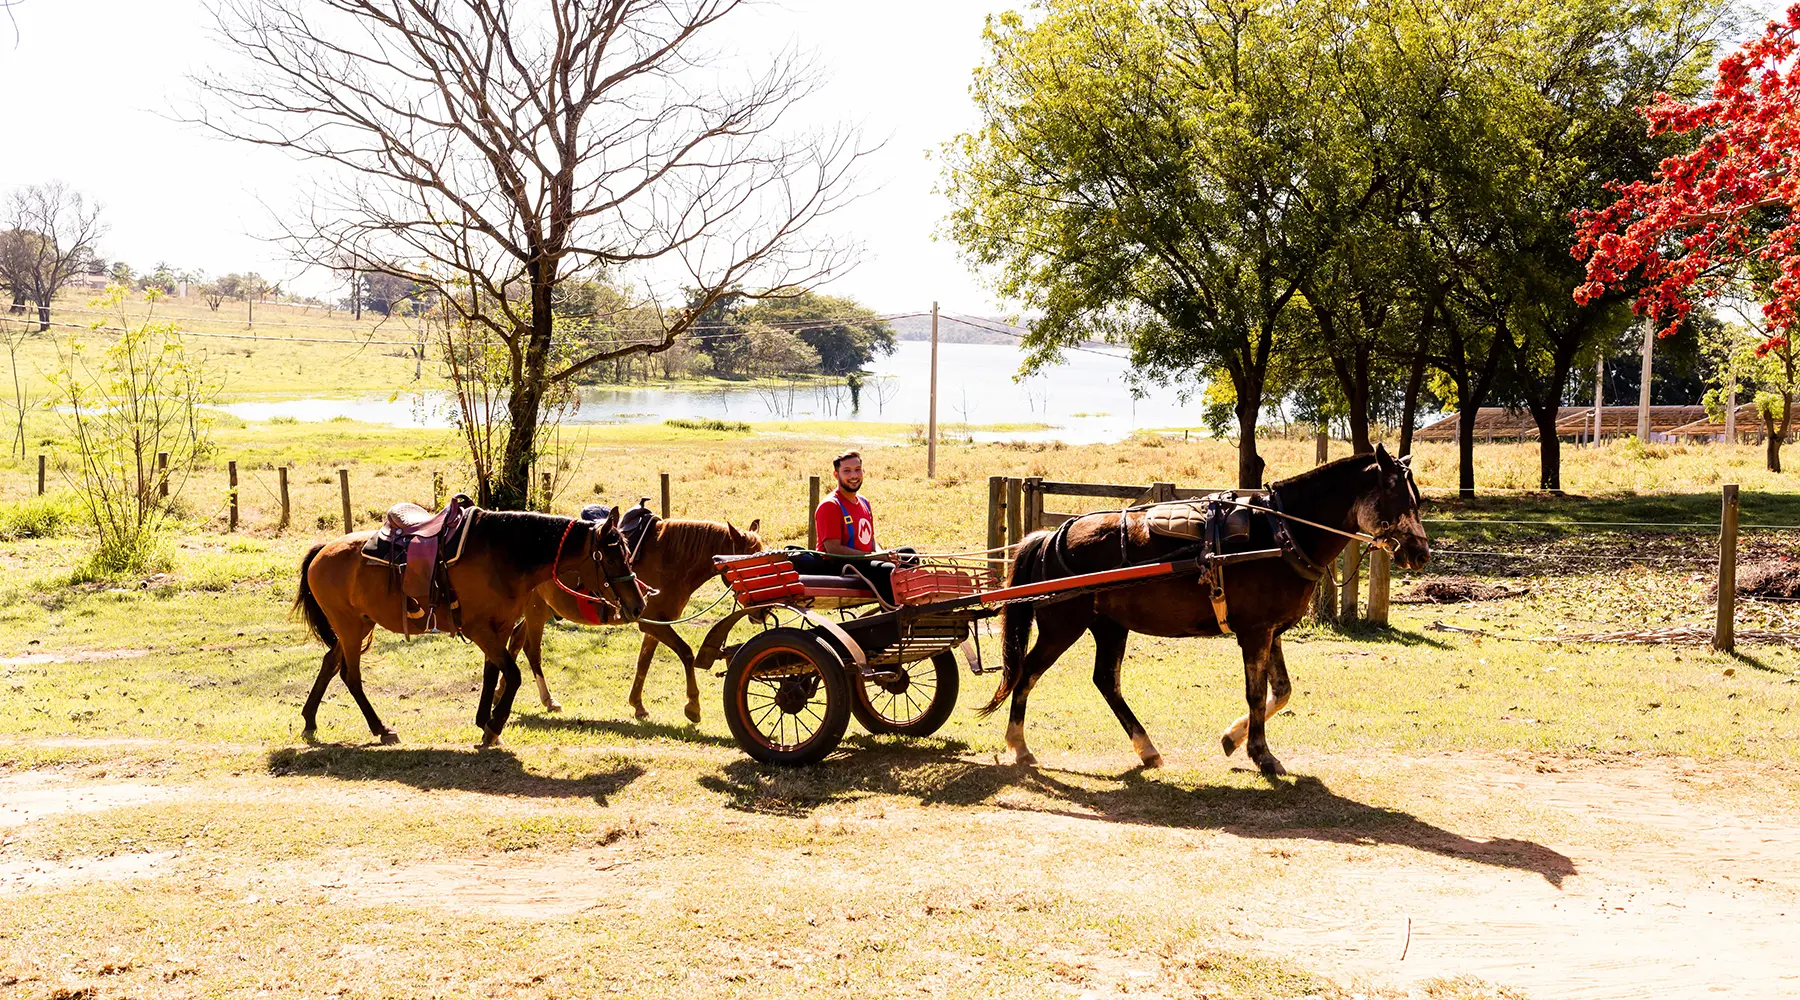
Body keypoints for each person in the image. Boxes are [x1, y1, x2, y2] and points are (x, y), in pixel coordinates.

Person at [792, 450, 913, 604]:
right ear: (836, 475)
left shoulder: (864, 502)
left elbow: (871, 541)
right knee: (887, 570)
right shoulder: (831, 505)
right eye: (847, 471)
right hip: (839, 565)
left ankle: (911, 607)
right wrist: (876, 557)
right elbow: (834, 550)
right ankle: (892, 618)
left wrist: (884, 553)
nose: (854, 475)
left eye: (857, 470)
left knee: (909, 555)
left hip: (863, 559)